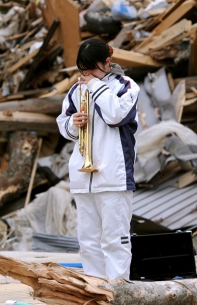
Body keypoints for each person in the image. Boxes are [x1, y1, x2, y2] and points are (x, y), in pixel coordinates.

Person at [56, 38, 139, 280]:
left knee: (115, 239)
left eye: (92, 67)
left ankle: (118, 290)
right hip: (83, 176)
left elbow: (115, 115)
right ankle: (95, 289)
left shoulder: (127, 86)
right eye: (83, 69)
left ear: (107, 62)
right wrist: (73, 125)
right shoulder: (75, 90)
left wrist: (93, 85)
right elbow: (64, 124)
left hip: (114, 175)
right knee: (88, 241)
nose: (86, 73)